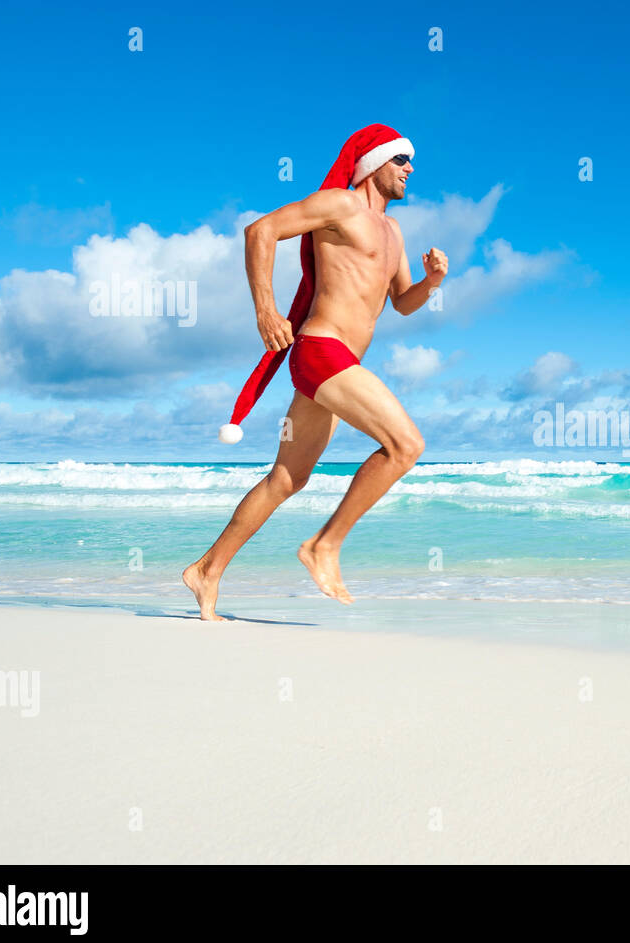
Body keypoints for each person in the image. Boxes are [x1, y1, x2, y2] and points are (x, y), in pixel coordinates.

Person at [183, 124, 447, 620]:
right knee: (406, 446)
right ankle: (325, 545)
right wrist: (266, 308)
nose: (410, 169)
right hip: (321, 353)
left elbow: (401, 303)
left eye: (410, 162)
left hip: (339, 366)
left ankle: (206, 570)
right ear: (374, 164)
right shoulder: (341, 205)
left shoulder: (393, 232)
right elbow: (261, 230)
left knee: (286, 479)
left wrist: (431, 282)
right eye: (401, 160)